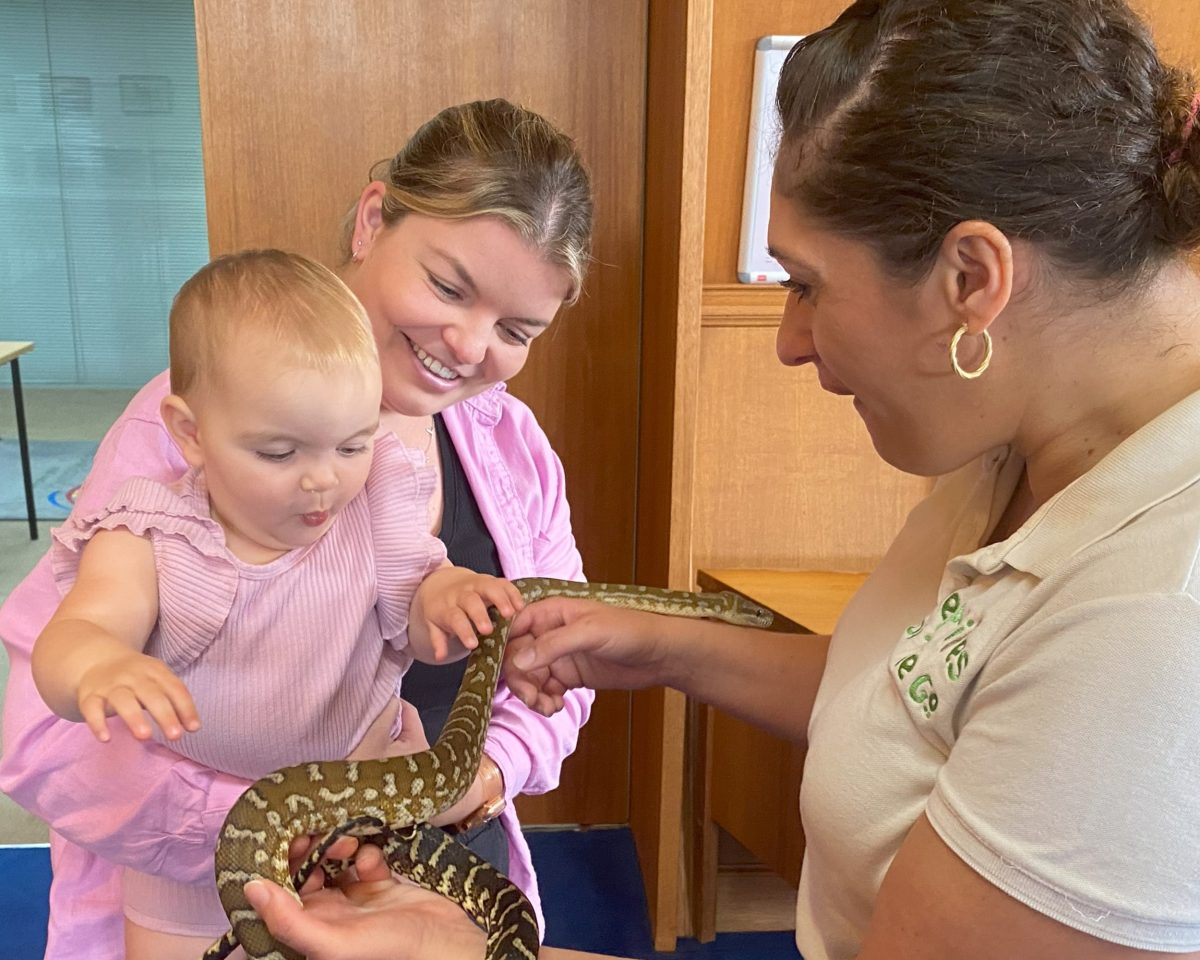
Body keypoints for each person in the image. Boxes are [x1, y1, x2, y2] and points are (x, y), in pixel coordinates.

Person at [244, 1, 1200, 958]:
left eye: (805, 283)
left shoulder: (1156, 625)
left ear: (972, 280)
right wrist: (668, 650)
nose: (786, 340)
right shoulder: (1019, 444)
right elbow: (917, 692)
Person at [0, 99, 595, 959]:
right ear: (372, 219)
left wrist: (488, 770)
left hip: (441, 876)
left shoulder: (511, 444)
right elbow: (41, 738)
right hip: (214, 883)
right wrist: (298, 830)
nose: (468, 346)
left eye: (515, 330)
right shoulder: (190, 440)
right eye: (447, 286)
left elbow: (555, 668)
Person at [28, 248, 521, 958]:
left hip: (362, 846)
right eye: (280, 453)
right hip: (191, 868)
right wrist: (96, 666)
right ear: (189, 434)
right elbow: (76, 633)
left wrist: (449, 598)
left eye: (351, 445)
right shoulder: (150, 534)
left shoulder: (375, 509)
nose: (322, 482)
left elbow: (417, 600)